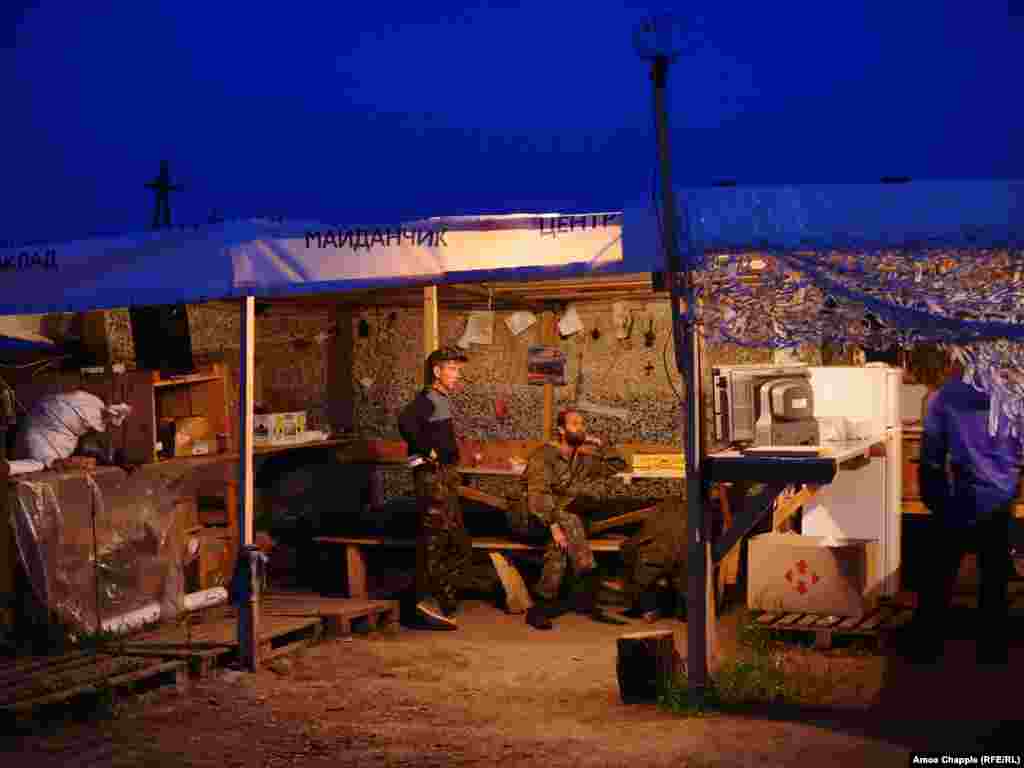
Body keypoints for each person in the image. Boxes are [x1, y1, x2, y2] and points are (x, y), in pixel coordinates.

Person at [910, 348, 1020, 665]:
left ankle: (926, 647)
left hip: (959, 498)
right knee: (994, 580)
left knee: (939, 578)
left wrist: (936, 500)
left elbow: (931, 455)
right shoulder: (1013, 398)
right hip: (999, 499)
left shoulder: (945, 397)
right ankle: (992, 651)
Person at [507, 408, 629, 630]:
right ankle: (589, 586)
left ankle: (540, 608)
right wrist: (554, 527)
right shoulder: (543, 456)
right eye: (574, 424)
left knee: (559, 547)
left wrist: (601, 442)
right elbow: (538, 497)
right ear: (561, 430)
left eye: (582, 424)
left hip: (559, 519)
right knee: (568, 522)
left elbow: (618, 465)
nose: (580, 427)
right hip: (529, 518)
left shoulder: (581, 459)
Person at [397, 346, 472, 629]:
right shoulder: (428, 397)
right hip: (432, 477)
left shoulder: (441, 399)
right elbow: (405, 421)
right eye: (452, 369)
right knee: (434, 539)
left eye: (458, 369)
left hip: (444, 475)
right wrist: (427, 450)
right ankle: (420, 604)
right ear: (437, 372)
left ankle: (442, 602)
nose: (456, 375)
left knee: (453, 537)